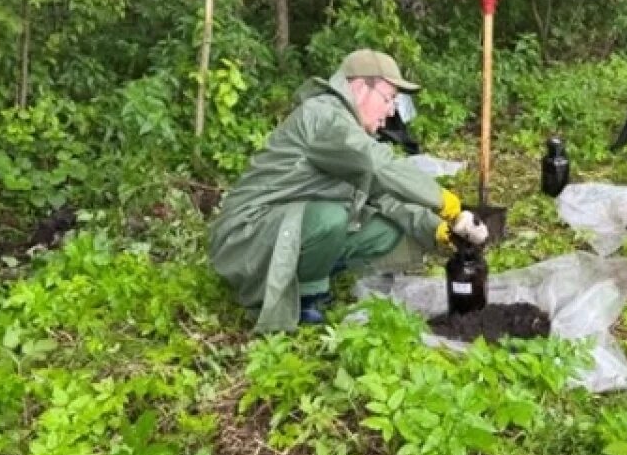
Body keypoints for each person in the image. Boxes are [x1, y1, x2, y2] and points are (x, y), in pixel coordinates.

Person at [209, 49, 488, 331]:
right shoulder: (324, 116)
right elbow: (379, 165)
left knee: (388, 230)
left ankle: (307, 272)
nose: (392, 111)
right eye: (388, 98)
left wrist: (437, 229)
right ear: (359, 87)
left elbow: (385, 194)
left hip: (283, 227)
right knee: (330, 218)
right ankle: (307, 297)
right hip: (246, 235)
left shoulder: (349, 130)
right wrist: (448, 205)